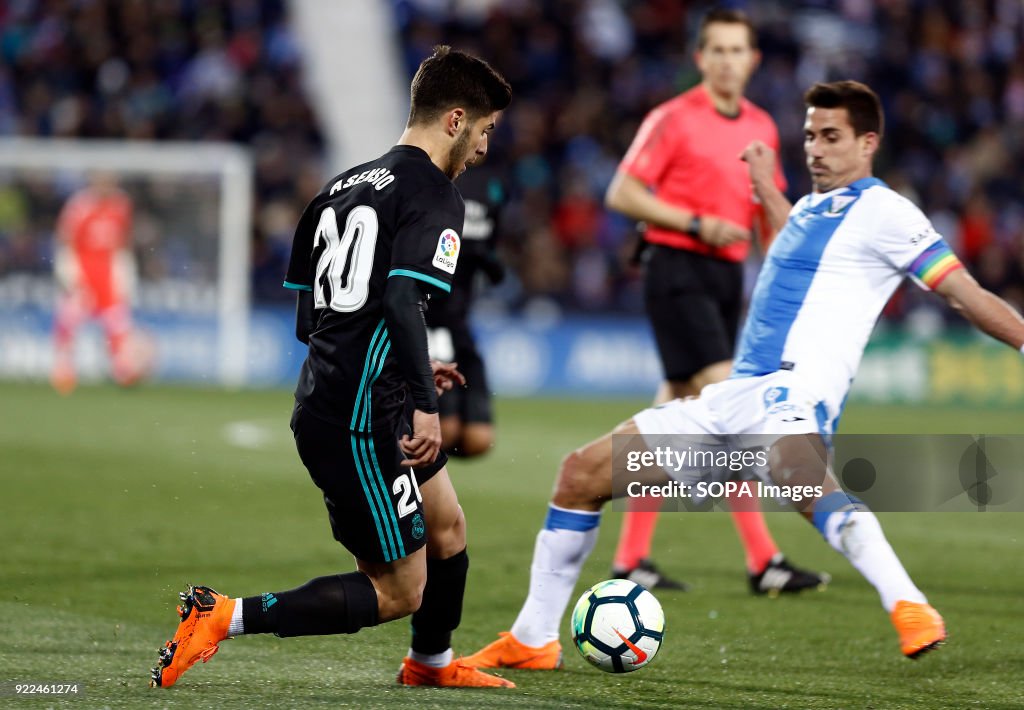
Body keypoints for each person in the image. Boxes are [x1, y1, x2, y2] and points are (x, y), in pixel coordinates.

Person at [464, 79, 1024, 670]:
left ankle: (908, 603)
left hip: (792, 396)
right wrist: (762, 185)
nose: (815, 149)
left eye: (831, 137)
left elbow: (965, 294)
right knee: (580, 474)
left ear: (868, 143)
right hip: (729, 400)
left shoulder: (888, 212)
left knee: (799, 476)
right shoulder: (812, 209)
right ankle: (531, 639)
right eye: (809, 136)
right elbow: (790, 248)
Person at [148, 46, 514, 690]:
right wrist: (425, 400)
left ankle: (429, 667)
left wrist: (406, 363)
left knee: (448, 525)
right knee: (400, 589)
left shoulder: (338, 189)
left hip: (356, 396)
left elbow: (310, 322)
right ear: (455, 120)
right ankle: (222, 616)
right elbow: (401, 298)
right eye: (484, 131)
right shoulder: (434, 194)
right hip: (360, 419)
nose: (484, 148)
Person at [604, 7, 826, 594]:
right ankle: (764, 562)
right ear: (701, 59)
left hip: (727, 280)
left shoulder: (760, 127)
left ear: (753, 60)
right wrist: (696, 222)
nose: (729, 61)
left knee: (671, 416)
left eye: (739, 51)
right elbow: (622, 191)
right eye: (718, 51)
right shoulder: (672, 118)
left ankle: (629, 562)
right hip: (676, 266)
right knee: (729, 404)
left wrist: (784, 290)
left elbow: (766, 216)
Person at [425, 160, 506, 457]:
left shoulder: (494, 184)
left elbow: (492, 249)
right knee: (441, 433)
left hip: (458, 323)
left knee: (478, 441)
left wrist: (488, 259)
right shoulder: (427, 179)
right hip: (426, 323)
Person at [51, 172, 150, 394]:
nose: (106, 186)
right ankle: (63, 370)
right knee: (69, 320)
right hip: (83, 273)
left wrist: (126, 271)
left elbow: (125, 240)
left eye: (110, 181)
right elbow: (65, 239)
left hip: (109, 273)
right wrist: (67, 272)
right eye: (102, 181)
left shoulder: (121, 204)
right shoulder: (79, 205)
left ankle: (122, 370)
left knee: (117, 323)